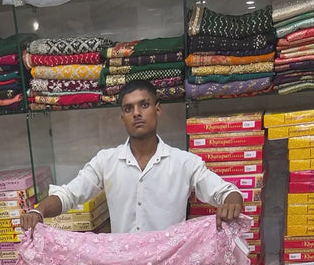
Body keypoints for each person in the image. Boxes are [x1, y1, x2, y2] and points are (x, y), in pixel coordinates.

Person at [20, 79, 244, 236]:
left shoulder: (183, 162)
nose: (136, 113)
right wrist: (38, 210)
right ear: (122, 117)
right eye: (128, 109)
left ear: (157, 109)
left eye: (144, 105)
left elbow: (227, 192)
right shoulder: (106, 161)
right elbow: (69, 194)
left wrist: (231, 203)